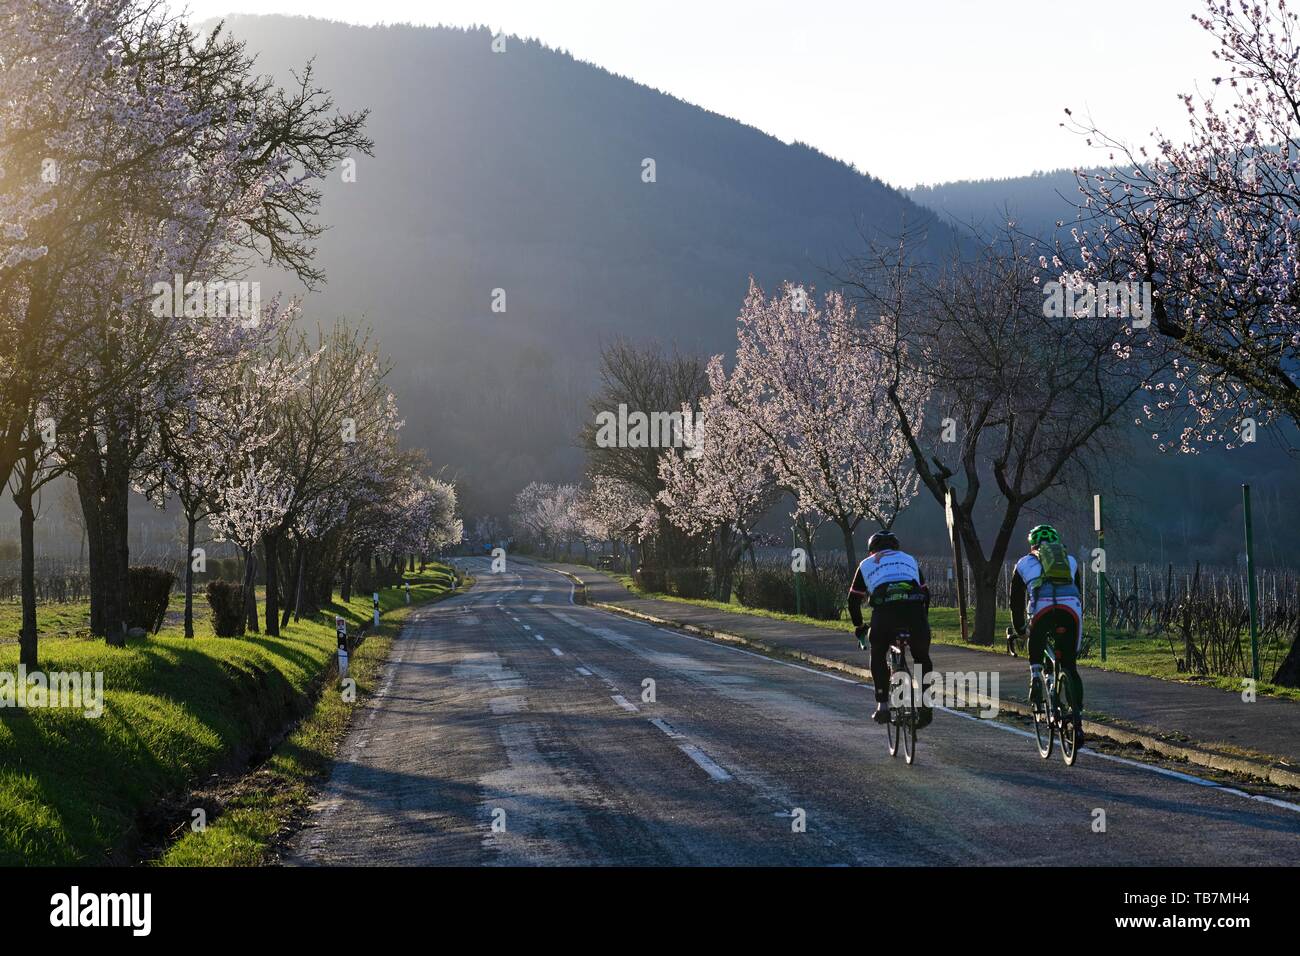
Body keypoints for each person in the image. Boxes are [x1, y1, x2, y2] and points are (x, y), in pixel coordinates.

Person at [848, 531, 934, 728]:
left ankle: (883, 705)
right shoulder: (909, 559)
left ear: (871, 550)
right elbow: (925, 593)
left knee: (878, 652)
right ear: (896, 548)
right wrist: (923, 621)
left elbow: (853, 601)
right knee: (922, 657)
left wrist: (860, 627)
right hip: (914, 612)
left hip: (885, 614)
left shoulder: (866, 564)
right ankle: (925, 701)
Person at [1009, 524, 1084, 740]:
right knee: (1070, 664)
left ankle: (1035, 676)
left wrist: (1021, 629)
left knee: (1036, 635)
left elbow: (1015, 603)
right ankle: (1077, 716)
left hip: (1042, 609)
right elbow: (1078, 590)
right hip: (1071, 609)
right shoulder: (1070, 561)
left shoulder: (1023, 563)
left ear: (1032, 545)